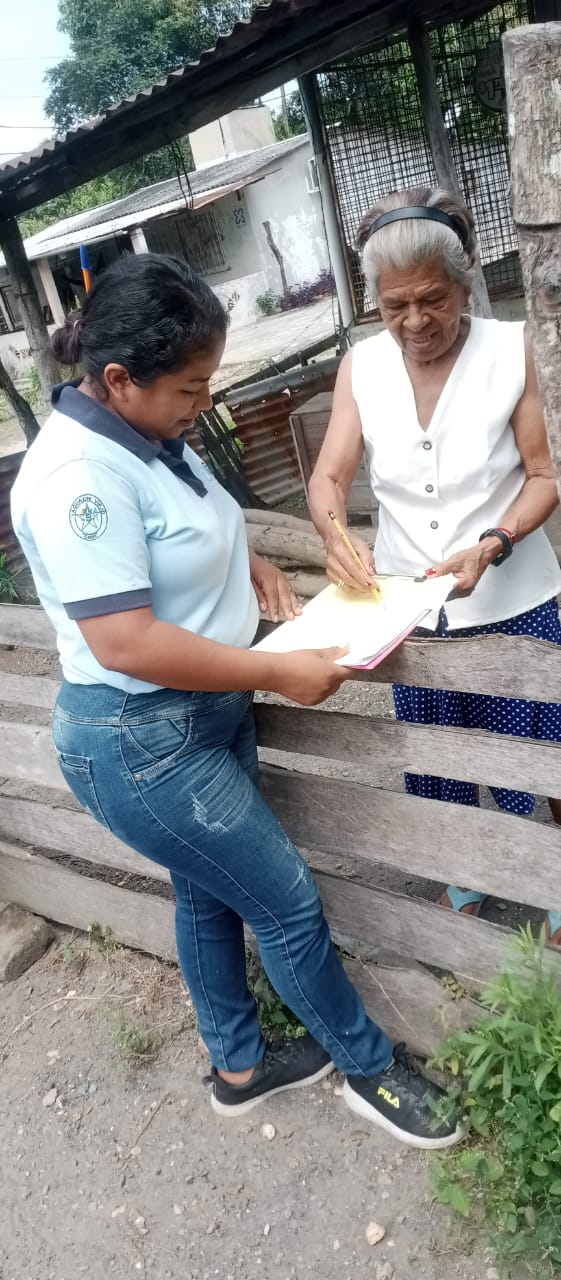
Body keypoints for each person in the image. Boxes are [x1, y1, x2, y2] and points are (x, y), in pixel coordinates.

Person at [11, 253, 461, 1148]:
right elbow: (124, 641)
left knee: (207, 894)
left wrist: (243, 560)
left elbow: (185, 520)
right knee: (285, 902)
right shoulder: (77, 479)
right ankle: (369, 1069)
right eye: (190, 388)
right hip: (142, 740)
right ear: (117, 379)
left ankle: (239, 1069)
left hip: (198, 716)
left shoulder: (148, 432)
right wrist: (273, 671)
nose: (203, 402)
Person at [309, 186, 561, 944]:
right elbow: (328, 478)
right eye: (394, 306)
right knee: (436, 751)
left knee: (540, 751)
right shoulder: (361, 366)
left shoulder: (511, 348)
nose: (415, 322)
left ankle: (552, 876)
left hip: (513, 596)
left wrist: (494, 542)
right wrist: (334, 534)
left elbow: (543, 475)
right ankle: (465, 868)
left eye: (433, 300)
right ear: (373, 303)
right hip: (411, 607)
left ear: (465, 282)